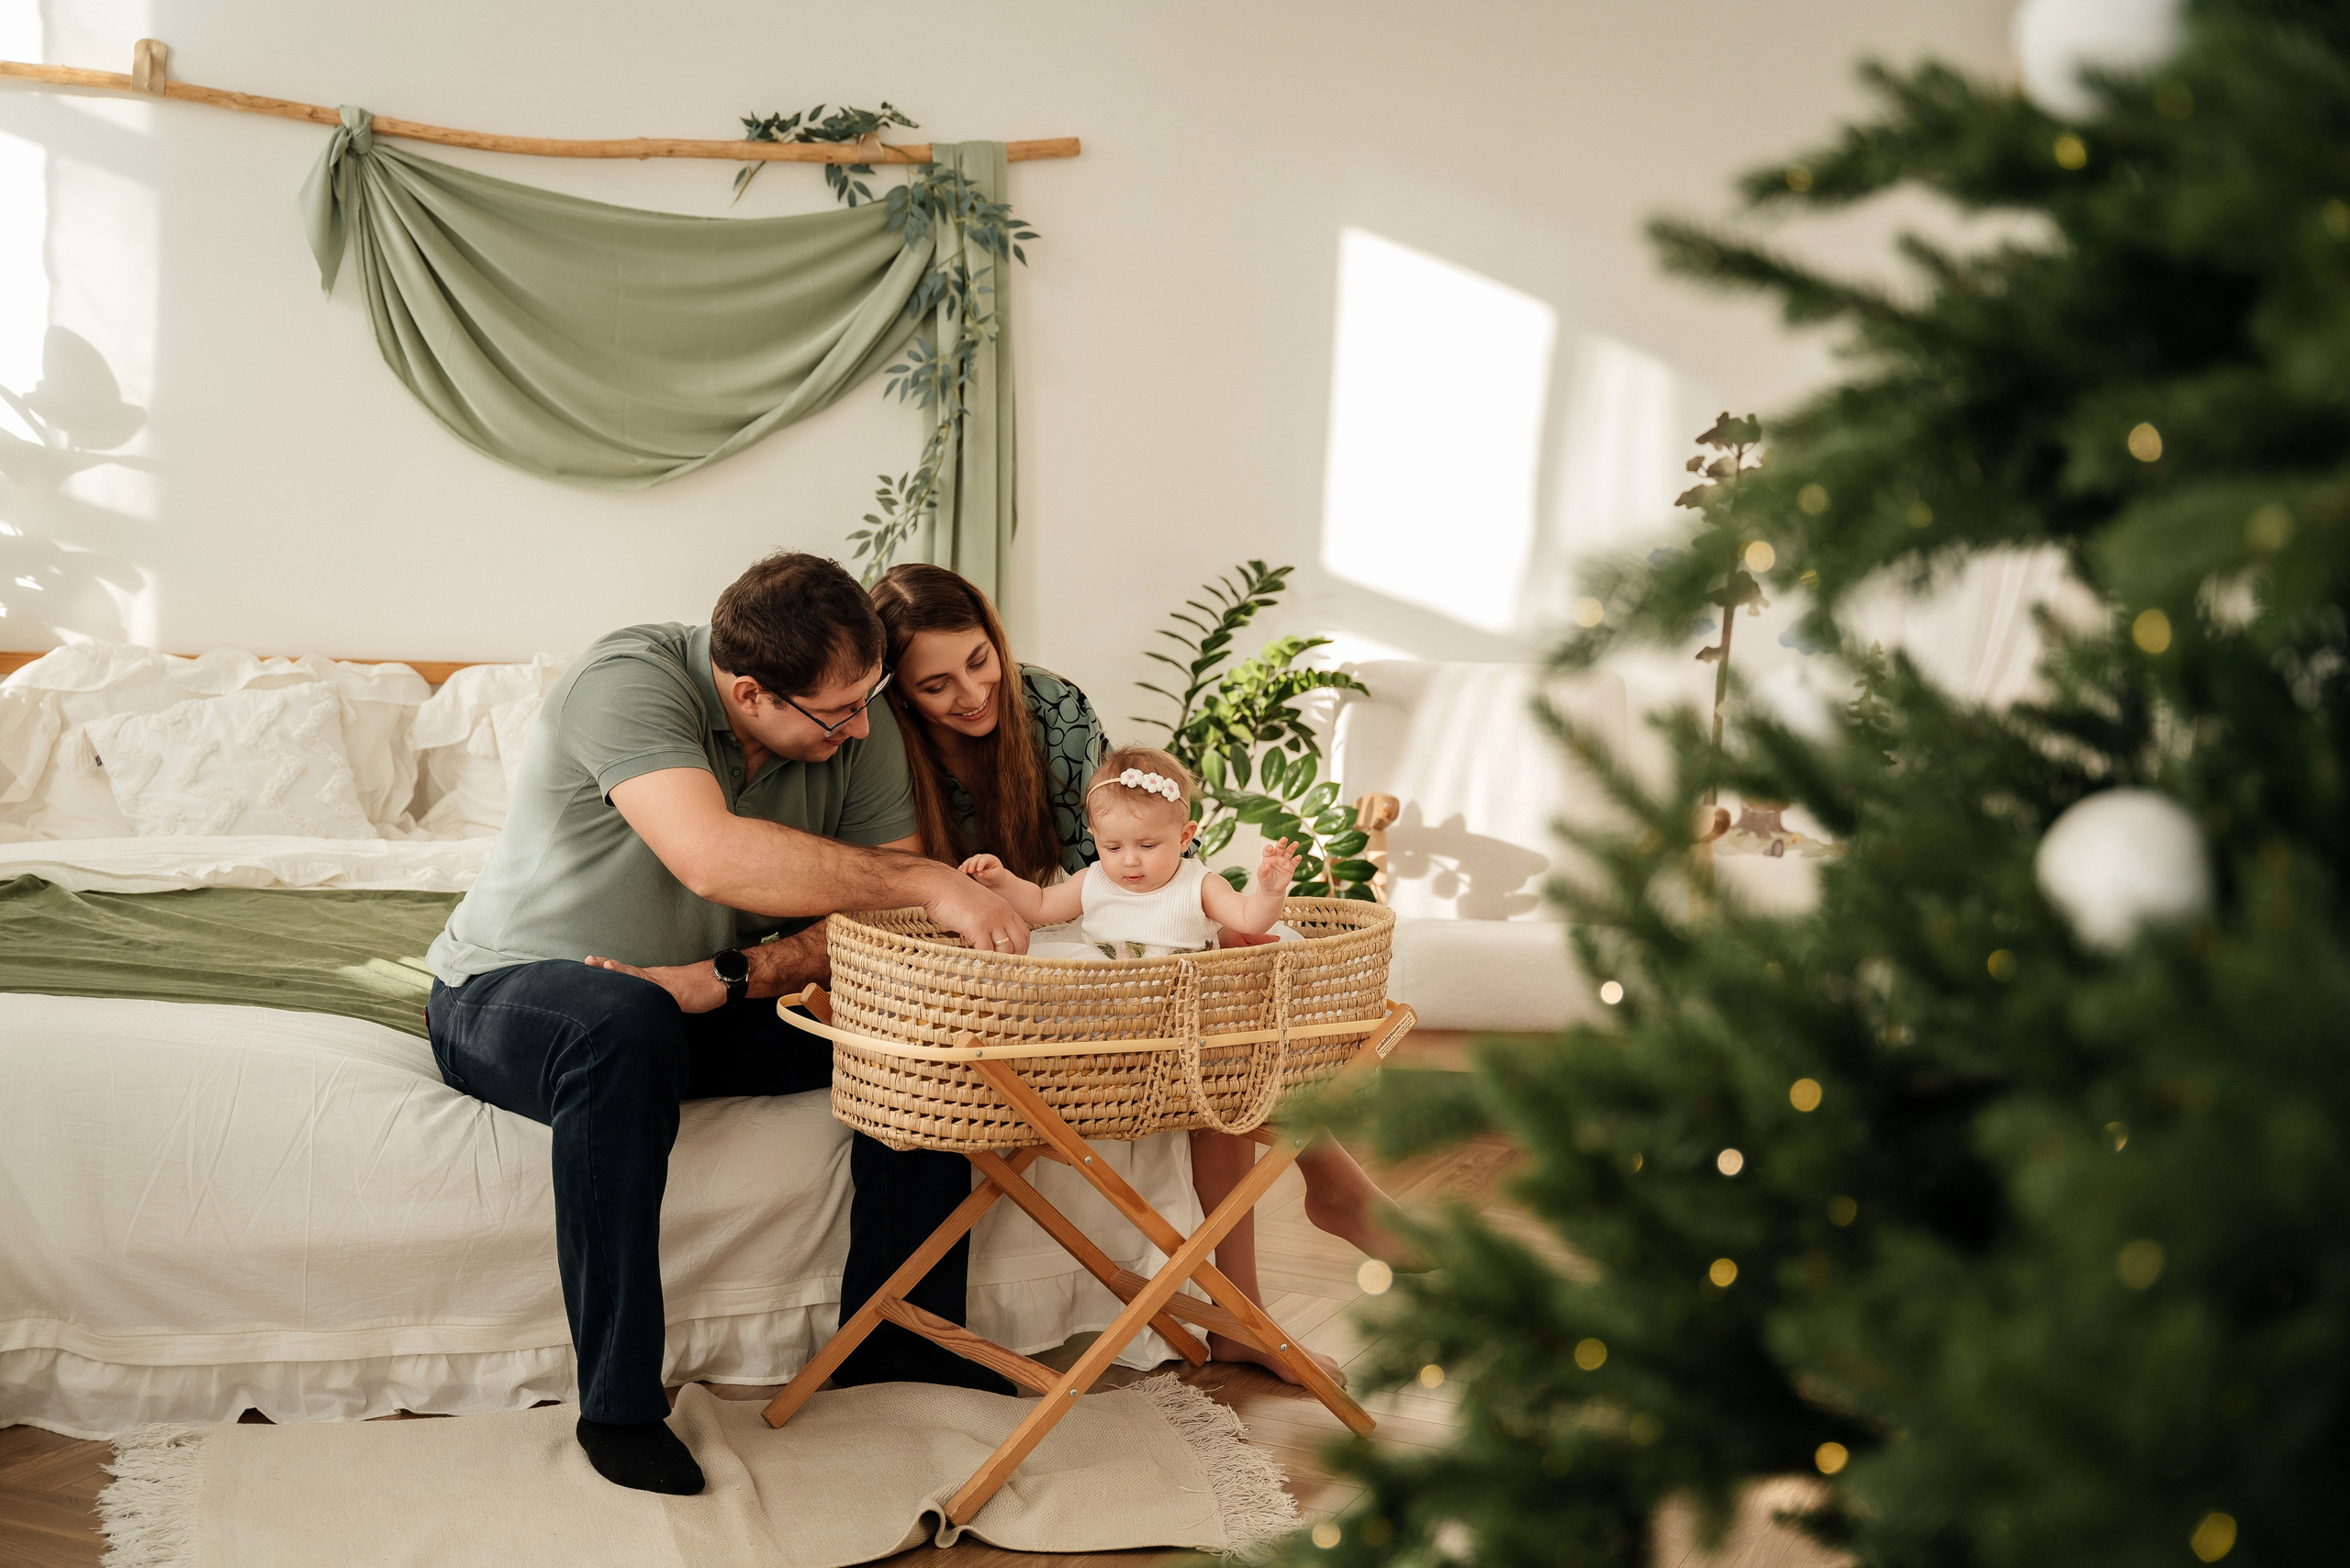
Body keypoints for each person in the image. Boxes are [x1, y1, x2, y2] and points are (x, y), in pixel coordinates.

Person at [422, 552, 1032, 1498]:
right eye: (838, 714)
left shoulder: (849, 713)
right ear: (749, 693)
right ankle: (618, 1403)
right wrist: (924, 877)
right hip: (518, 992)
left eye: (867, 699)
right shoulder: (625, 680)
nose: (864, 728)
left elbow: (879, 920)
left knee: (916, 1017)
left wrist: (738, 972)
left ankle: (898, 1335)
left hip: (709, 996)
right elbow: (712, 857)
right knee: (622, 1022)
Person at [870, 562, 1416, 1384]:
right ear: (900, 690)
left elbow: (1123, 862)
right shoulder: (876, 741)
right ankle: (1314, 1220)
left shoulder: (1048, 707)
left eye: (981, 660)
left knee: (1229, 977)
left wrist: (1227, 911)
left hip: (1080, 927)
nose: (973, 693)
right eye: (937, 684)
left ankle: (1274, 1270)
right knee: (1206, 1024)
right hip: (978, 960)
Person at [960, 747, 1300, 957]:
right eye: (1112, 847)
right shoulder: (1092, 881)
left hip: (1186, 1000)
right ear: (1095, 837)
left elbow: (1249, 920)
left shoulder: (1199, 884)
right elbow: (1039, 905)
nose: (1130, 859)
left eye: (1148, 845)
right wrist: (1002, 880)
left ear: (1184, 837)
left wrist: (1270, 891)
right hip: (1106, 997)